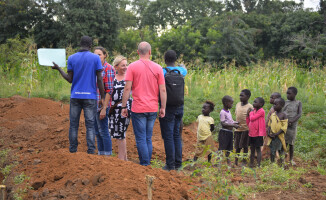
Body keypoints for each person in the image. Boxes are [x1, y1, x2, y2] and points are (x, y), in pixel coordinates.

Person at [52, 36, 105, 154]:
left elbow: (69, 79)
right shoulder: (95, 58)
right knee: (90, 125)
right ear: (90, 45)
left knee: (73, 124)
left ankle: (73, 150)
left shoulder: (71, 58)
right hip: (90, 97)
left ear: (80, 44)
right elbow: (100, 79)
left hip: (75, 96)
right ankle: (91, 151)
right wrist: (102, 97)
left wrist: (59, 69)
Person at [121, 41, 167, 166]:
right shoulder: (158, 68)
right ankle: (147, 164)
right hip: (152, 108)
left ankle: (145, 164)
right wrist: (162, 107)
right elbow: (162, 89)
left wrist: (124, 106)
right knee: (148, 138)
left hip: (138, 108)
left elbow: (127, 88)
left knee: (141, 138)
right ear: (150, 52)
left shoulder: (132, 67)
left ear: (138, 52)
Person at [159, 50, 187, 171]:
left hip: (167, 107)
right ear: (175, 60)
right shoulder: (182, 71)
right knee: (176, 134)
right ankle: (178, 163)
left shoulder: (162, 71)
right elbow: (184, 69)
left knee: (168, 136)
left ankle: (170, 165)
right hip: (180, 106)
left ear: (165, 59)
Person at [109, 55, 132, 161]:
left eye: (126, 65)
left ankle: (121, 158)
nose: (125, 67)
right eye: (123, 65)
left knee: (121, 132)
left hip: (125, 107)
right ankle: (125, 158)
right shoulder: (112, 77)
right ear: (116, 66)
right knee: (116, 131)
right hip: (113, 108)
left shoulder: (129, 77)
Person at [93, 46, 114, 156]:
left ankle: (108, 155)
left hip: (103, 105)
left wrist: (104, 109)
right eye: (95, 55)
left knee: (104, 131)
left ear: (105, 55)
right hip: (93, 103)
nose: (97, 57)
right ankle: (101, 154)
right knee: (97, 131)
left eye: (99, 54)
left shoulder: (108, 68)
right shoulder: (93, 68)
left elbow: (109, 90)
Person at [283, 87, 302, 166]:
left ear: (295, 94)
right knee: (284, 143)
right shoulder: (285, 102)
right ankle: (283, 160)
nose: (287, 95)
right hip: (285, 125)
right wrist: (286, 121)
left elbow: (299, 114)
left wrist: (292, 121)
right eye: (287, 93)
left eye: (289, 93)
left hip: (293, 126)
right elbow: (282, 112)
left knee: (291, 143)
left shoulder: (298, 103)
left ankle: (291, 159)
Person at [234, 89, 253, 166]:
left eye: (242, 95)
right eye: (240, 95)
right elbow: (236, 114)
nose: (240, 97)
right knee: (237, 146)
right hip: (238, 129)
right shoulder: (238, 104)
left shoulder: (250, 107)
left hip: (246, 129)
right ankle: (236, 160)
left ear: (248, 97)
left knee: (245, 147)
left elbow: (251, 118)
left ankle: (244, 161)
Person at [219, 96, 239, 166]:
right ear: (226, 103)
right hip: (224, 132)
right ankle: (218, 162)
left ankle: (228, 161)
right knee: (222, 148)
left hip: (229, 132)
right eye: (231, 103)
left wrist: (235, 122)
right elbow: (223, 123)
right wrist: (233, 125)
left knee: (229, 148)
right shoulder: (222, 112)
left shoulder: (228, 111)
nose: (232, 105)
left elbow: (230, 120)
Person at [267, 98, 288, 165]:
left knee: (280, 150)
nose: (274, 105)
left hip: (279, 136)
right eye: (274, 104)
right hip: (272, 136)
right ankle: (272, 163)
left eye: (276, 104)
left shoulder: (283, 115)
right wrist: (269, 133)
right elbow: (269, 125)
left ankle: (282, 162)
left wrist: (276, 134)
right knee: (272, 150)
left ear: (282, 105)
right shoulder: (273, 115)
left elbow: (284, 127)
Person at [246, 97, 266, 168]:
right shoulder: (253, 111)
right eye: (253, 102)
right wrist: (247, 115)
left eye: (255, 102)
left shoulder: (261, 111)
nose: (253, 103)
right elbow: (248, 121)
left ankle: (258, 164)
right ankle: (251, 164)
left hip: (258, 134)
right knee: (252, 149)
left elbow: (252, 118)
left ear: (260, 104)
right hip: (251, 133)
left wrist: (250, 113)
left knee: (258, 149)